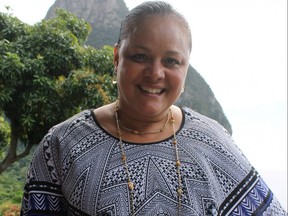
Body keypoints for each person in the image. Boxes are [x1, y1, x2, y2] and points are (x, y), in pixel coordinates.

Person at [21, 1, 287, 216]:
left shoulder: (212, 141)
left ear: (185, 68)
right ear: (117, 57)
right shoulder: (62, 144)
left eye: (171, 61)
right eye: (140, 57)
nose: (155, 73)